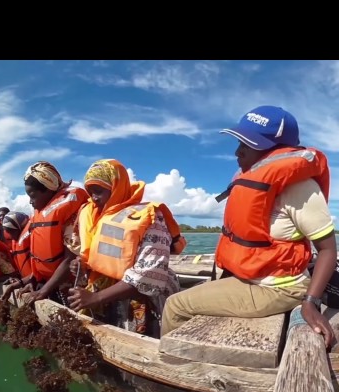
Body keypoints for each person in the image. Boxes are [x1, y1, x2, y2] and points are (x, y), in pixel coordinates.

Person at [161, 105, 337, 350]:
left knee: (175, 305)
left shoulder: (300, 188)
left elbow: (328, 250)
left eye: (248, 144)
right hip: (253, 280)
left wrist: (310, 301)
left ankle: (171, 371)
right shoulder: (255, 179)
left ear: (279, 150)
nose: (237, 152)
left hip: (280, 288)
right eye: (239, 142)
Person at [66, 159, 185, 335]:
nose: (94, 199)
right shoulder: (95, 216)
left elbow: (149, 274)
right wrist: (81, 265)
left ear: (116, 187)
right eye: (90, 193)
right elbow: (95, 255)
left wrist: (97, 297)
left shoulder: (149, 217)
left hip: (140, 302)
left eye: (98, 191)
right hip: (100, 300)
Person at [4, 161, 89, 305]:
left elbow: (70, 259)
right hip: (48, 284)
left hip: (70, 288)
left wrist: (43, 291)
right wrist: (34, 279)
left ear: (49, 189)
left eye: (32, 195)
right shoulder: (40, 213)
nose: (30, 201)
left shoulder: (73, 213)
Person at [0, 211, 32, 279]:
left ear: (20, 228)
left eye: (11, 232)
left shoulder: (33, 239)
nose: (10, 236)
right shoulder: (16, 241)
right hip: (25, 278)